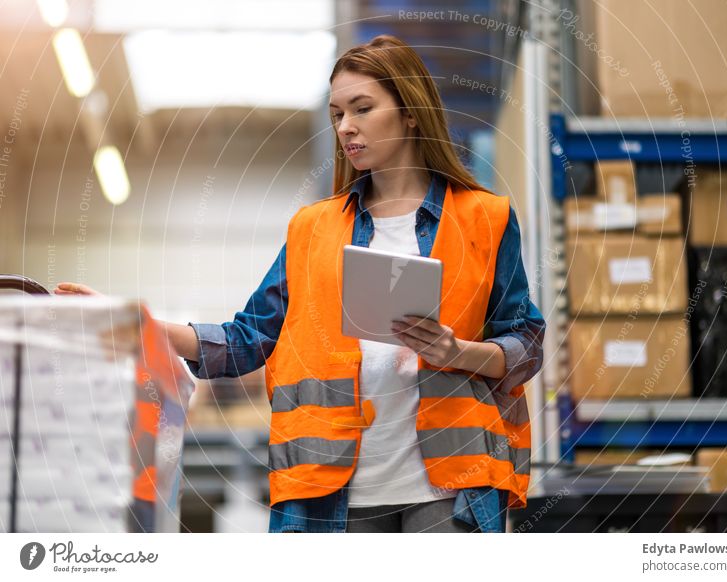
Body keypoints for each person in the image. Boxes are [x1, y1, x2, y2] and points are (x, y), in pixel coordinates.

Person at [56, 34, 546, 533]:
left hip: (452, 488)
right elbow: (249, 339)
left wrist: (457, 352)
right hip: (332, 490)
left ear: (410, 111)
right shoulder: (312, 229)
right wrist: (140, 325)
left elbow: (526, 340)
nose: (347, 127)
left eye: (362, 108)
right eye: (337, 114)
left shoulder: (485, 218)